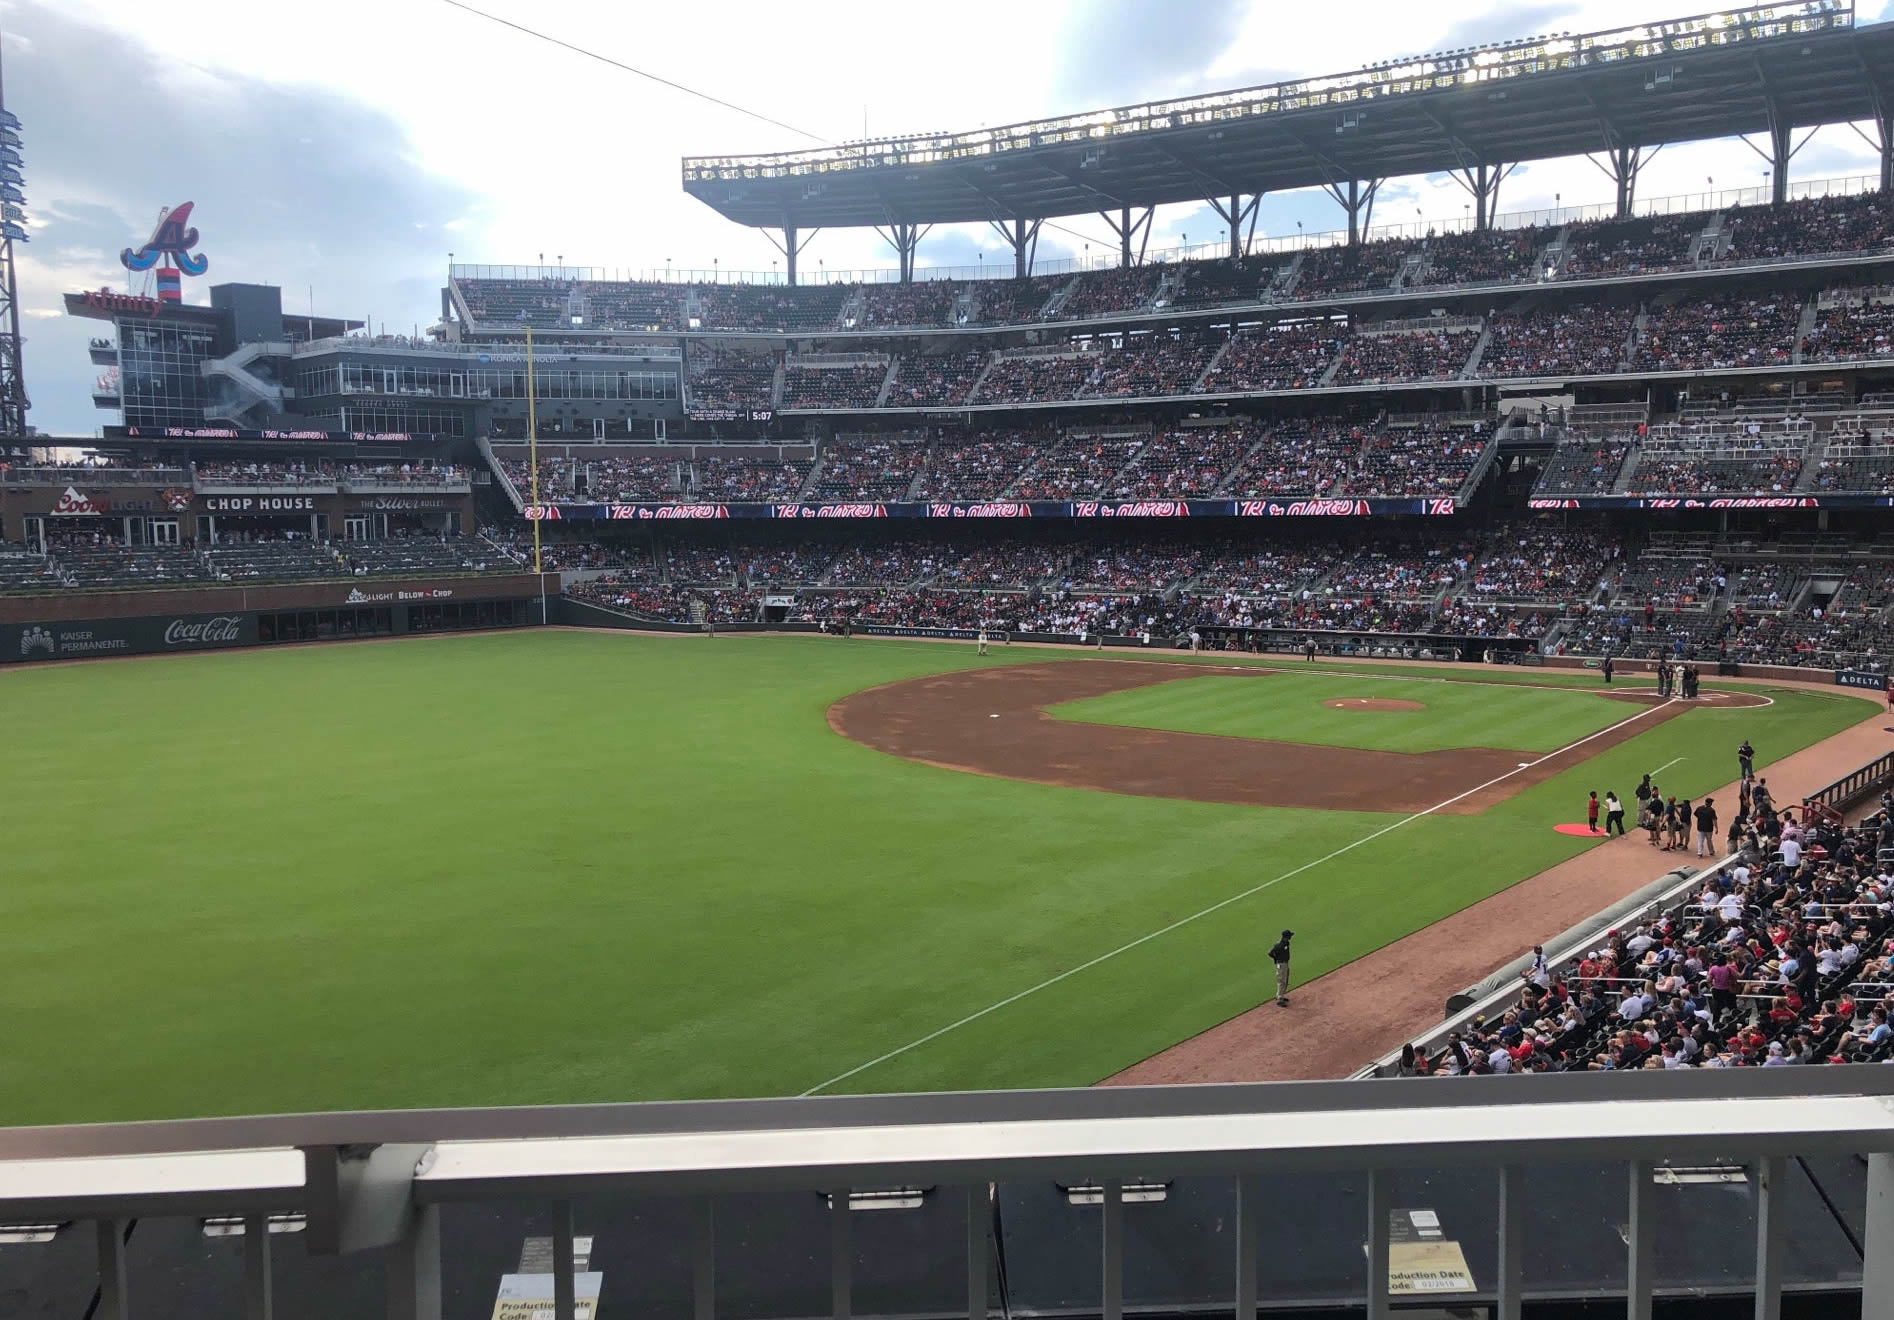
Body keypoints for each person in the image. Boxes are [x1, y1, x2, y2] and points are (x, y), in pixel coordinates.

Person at [1269, 929, 1294, 1007]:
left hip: (1285, 964)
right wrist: (1276, 959)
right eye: (1289, 936)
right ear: (1286, 937)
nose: (1290, 937)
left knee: (1285, 980)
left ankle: (1281, 995)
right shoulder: (1278, 945)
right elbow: (1270, 953)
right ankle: (1279, 998)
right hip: (1281, 964)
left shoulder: (1286, 943)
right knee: (1281, 980)